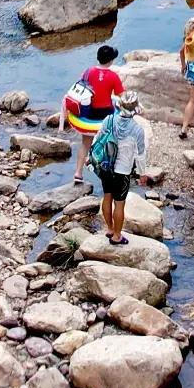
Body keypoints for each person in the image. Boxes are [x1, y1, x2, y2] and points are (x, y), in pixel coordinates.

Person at [87, 93, 149, 243]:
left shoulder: (109, 119)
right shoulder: (137, 130)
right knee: (119, 203)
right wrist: (142, 174)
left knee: (107, 196)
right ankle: (117, 236)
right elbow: (140, 155)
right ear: (135, 109)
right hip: (123, 170)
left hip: (106, 166)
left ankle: (109, 228)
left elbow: (98, 138)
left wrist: (90, 157)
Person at [64, 44, 125, 183]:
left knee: (85, 143)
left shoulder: (88, 71)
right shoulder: (113, 76)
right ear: (111, 60)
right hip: (106, 115)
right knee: (111, 142)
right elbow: (122, 96)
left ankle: (78, 173)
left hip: (90, 113)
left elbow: (80, 86)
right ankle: (110, 170)